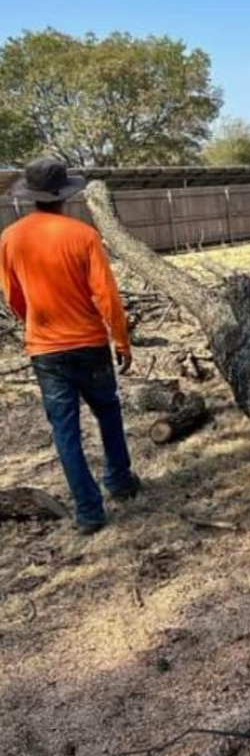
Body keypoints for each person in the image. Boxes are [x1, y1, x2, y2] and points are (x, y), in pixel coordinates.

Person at [0, 157, 140, 535]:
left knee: (65, 432)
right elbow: (107, 296)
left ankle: (89, 512)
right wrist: (121, 339)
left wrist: (35, 320)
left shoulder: (9, 238)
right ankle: (120, 480)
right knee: (108, 412)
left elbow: (13, 297)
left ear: (31, 196)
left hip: (44, 350)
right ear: (65, 194)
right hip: (90, 343)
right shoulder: (82, 235)